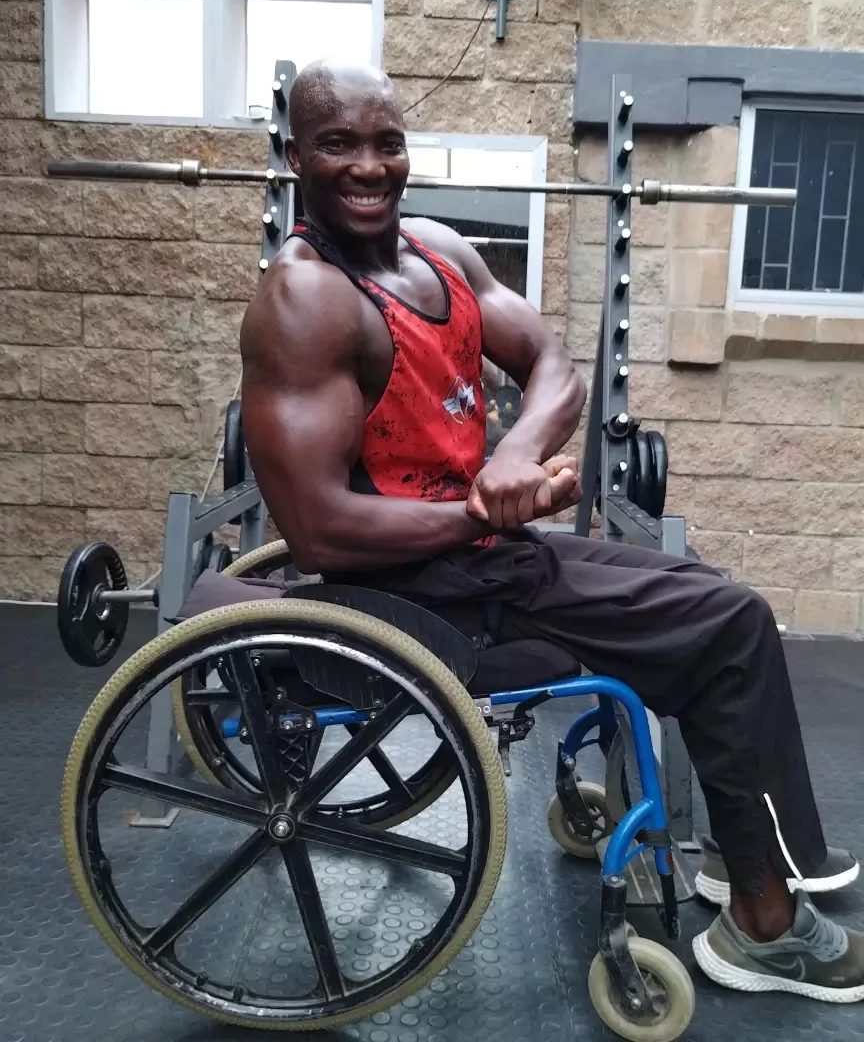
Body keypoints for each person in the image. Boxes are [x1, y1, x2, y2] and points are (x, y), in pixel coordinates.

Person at [240, 58, 864, 1001]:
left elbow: (557, 366)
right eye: (339, 145)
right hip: (428, 590)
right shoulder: (308, 300)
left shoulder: (439, 252)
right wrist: (478, 510)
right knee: (730, 625)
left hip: (489, 551)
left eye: (387, 143)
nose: (369, 166)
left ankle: (756, 865)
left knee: (709, 590)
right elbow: (321, 533)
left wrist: (511, 460)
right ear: (296, 156)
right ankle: (765, 926)